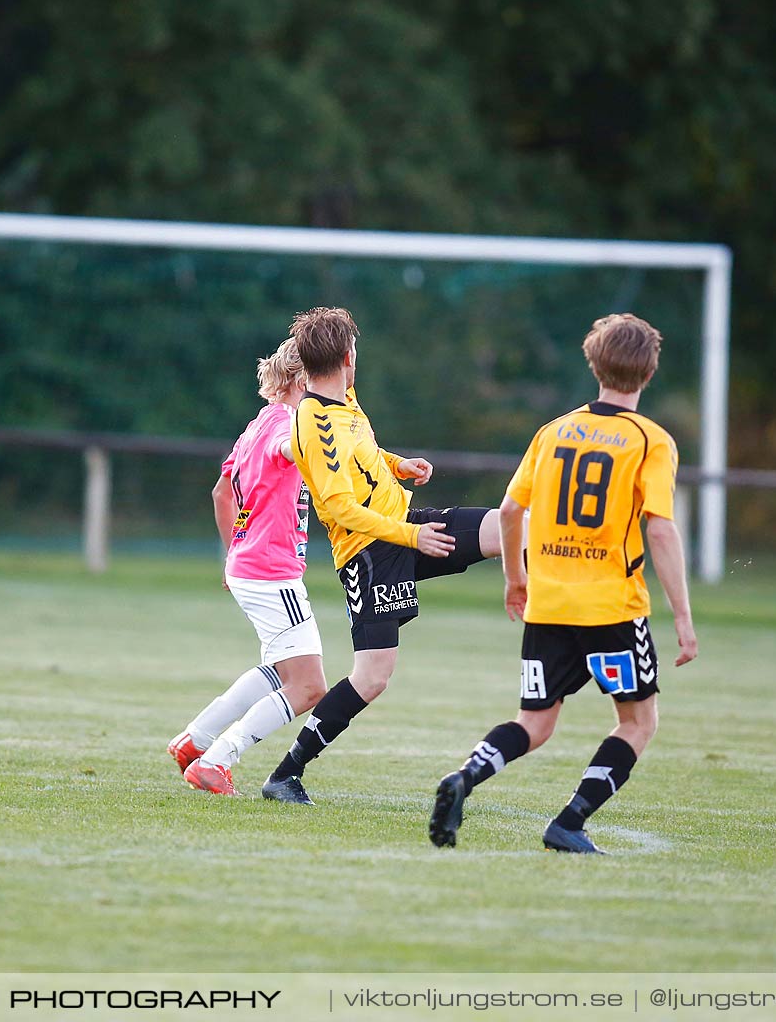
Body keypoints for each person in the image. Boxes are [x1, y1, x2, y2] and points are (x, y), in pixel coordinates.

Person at [429, 312, 698, 853]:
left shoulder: (553, 432)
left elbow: (509, 512)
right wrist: (684, 618)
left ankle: (464, 777)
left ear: (593, 363)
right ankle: (571, 821)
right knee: (638, 722)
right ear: (648, 373)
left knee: (534, 721)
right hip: (611, 610)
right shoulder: (651, 441)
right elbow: (662, 531)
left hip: (548, 603)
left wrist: (515, 579)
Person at [260, 306, 503, 805]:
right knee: (373, 677)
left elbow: (362, 451)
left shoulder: (344, 397)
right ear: (349, 356)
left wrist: (398, 464)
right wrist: (411, 539)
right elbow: (340, 508)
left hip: (405, 524)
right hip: (369, 554)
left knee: (510, 527)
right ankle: (285, 775)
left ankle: (563, 614)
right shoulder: (312, 422)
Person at [168, 339, 327, 795]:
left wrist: (232, 551)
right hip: (273, 573)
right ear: (302, 381)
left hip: (248, 566)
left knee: (280, 672)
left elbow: (222, 493)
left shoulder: (256, 424)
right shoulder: (288, 427)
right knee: (309, 687)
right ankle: (216, 760)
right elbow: (291, 447)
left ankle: (193, 740)